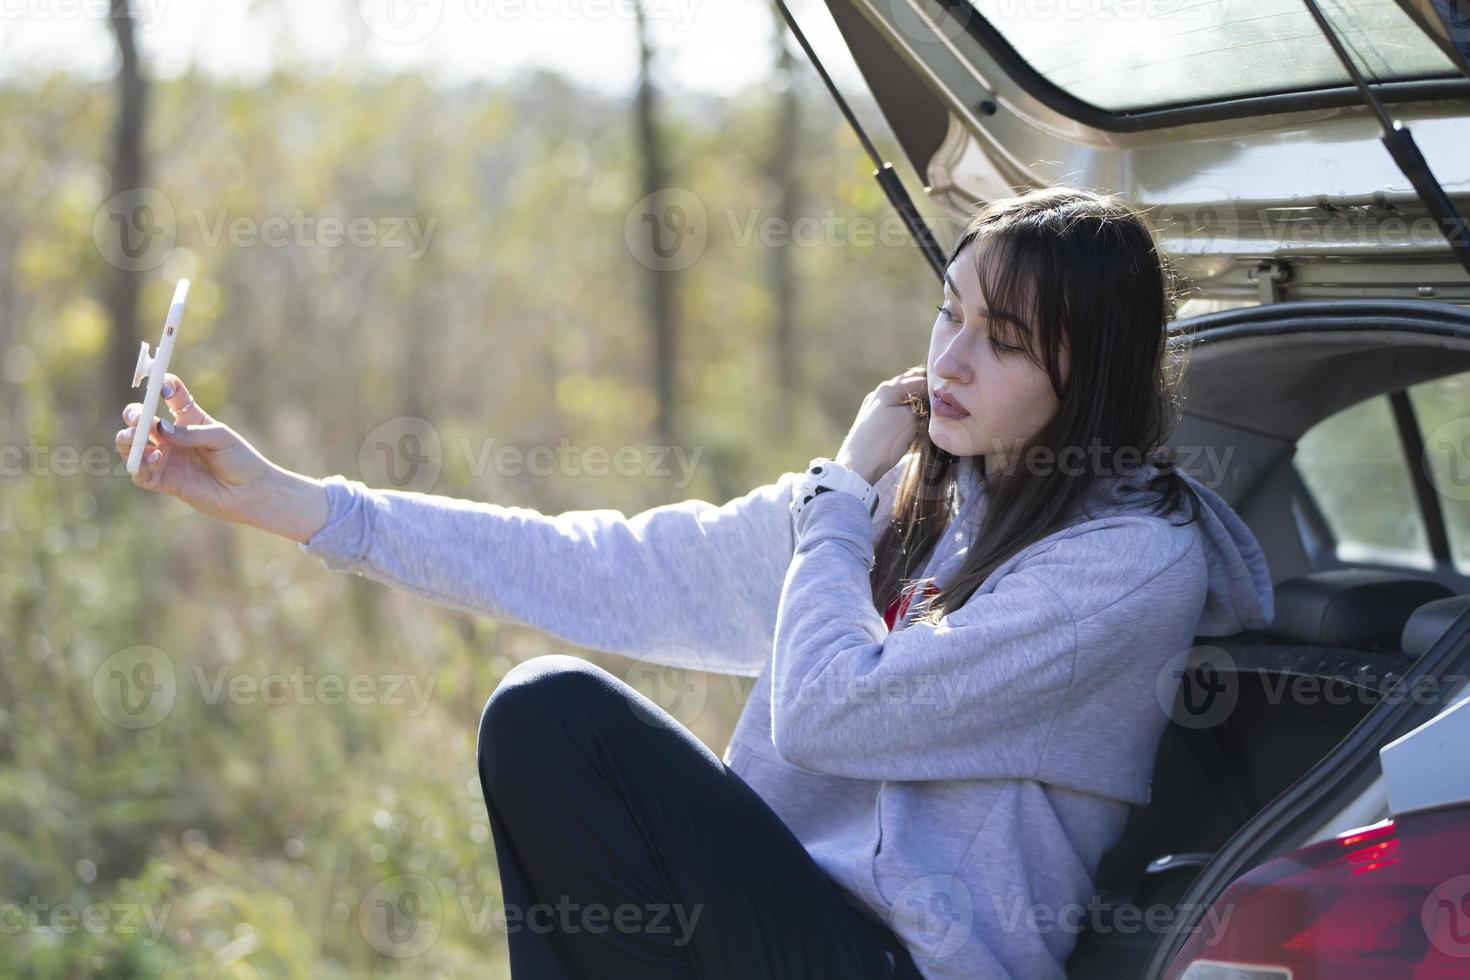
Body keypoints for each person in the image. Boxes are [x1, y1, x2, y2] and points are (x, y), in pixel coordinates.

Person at [116, 186, 1275, 979]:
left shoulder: (1128, 567)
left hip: (916, 965)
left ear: (1096, 372)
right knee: (541, 716)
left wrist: (838, 491)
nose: (950, 360)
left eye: (1006, 340)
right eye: (949, 311)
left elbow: (830, 710)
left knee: (556, 709)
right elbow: (605, 564)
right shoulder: (902, 503)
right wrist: (302, 504)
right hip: (789, 925)